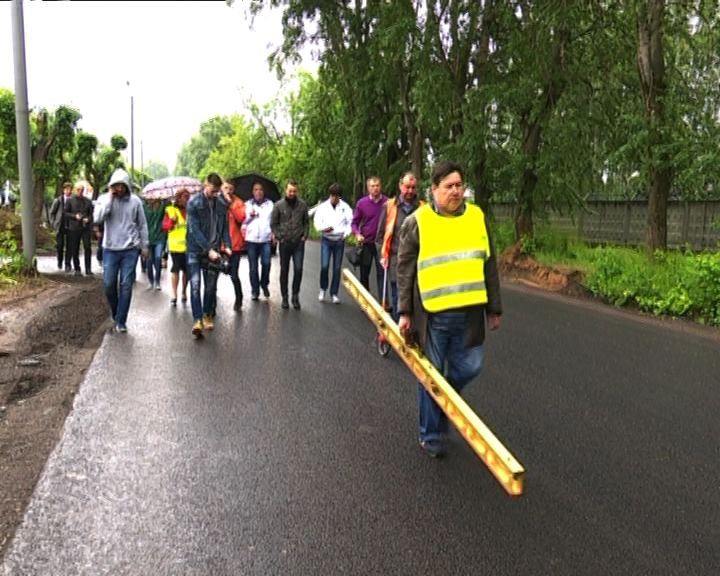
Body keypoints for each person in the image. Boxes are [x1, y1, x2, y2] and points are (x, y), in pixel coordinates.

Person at [396, 161, 502, 458]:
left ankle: (444, 402)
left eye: (459, 185)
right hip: (433, 317)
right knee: (431, 377)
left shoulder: (477, 217)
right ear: (434, 190)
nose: (456, 191)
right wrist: (404, 312)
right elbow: (404, 269)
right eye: (449, 186)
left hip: (470, 315)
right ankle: (430, 435)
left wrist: (495, 308)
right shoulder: (418, 221)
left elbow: (488, 263)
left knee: (471, 366)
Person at [93, 168, 149, 333]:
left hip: (130, 249)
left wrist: (144, 245)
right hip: (110, 248)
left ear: (126, 186)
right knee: (109, 284)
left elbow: (142, 224)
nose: (118, 189)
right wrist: (110, 200)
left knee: (126, 284)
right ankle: (116, 312)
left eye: (121, 186)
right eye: (115, 186)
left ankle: (121, 320)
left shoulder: (136, 202)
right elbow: (97, 219)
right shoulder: (104, 199)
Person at [186, 173, 231, 337]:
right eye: (213, 191)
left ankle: (207, 314)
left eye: (217, 191)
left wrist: (228, 245)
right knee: (196, 285)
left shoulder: (220, 203)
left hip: (214, 250)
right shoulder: (194, 203)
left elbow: (224, 227)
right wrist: (208, 250)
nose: (215, 194)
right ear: (206, 185)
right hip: (195, 250)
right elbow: (194, 230)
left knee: (211, 287)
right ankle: (197, 320)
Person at [375, 171, 423, 321]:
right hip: (396, 260)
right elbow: (380, 236)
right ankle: (398, 333)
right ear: (400, 186)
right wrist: (383, 256)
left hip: (418, 262)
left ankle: (412, 334)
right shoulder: (389, 206)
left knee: (415, 300)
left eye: (413, 187)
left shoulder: (423, 208)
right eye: (407, 187)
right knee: (398, 299)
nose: (410, 191)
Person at [270, 180, 309, 310]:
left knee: (298, 269)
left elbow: (306, 222)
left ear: (297, 191)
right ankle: (285, 297)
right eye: (290, 190)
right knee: (284, 270)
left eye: (294, 191)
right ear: (285, 190)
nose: (292, 193)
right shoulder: (278, 205)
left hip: (298, 243)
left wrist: (305, 235)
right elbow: (273, 223)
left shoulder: (302, 205)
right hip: (285, 242)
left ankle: (295, 295)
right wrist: (279, 236)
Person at [313, 183, 353, 304]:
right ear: (330, 195)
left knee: (336, 268)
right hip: (326, 239)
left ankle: (334, 293)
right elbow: (316, 222)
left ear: (340, 196)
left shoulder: (346, 208)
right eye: (332, 195)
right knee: (324, 266)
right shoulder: (323, 207)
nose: (334, 198)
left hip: (339, 240)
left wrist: (345, 234)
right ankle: (322, 289)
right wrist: (323, 228)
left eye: (337, 196)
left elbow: (350, 222)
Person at [352, 175, 387, 299]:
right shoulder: (362, 203)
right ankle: (365, 299)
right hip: (366, 242)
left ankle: (384, 302)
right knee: (364, 273)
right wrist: (357, 234)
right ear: (368, 188)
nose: (375, 188)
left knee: (382, 273)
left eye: (377, 186)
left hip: (381, 244)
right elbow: (354, 223)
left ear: (380, 187)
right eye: (373, 186)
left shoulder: (387, 203)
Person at [243, 180, 274, 301]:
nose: (258, 192)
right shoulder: (247, 204)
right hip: (251, 240)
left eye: (260, 189)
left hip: (265, 239)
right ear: (252, 192)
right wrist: (249, 216)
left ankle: (264, 284)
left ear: (263, 191)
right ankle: (255, 291)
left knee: (266, 264)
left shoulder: (270, 204)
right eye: (256, 189)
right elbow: (242, 222)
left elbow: (274, 221)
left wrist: (274, 233)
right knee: (253, 267)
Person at [162, 188, 190, 306]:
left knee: (187, 271)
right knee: (176, 268)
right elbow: (164, 226)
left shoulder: (190, 210)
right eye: (185, 197)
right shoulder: (170, 210)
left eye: (188, 197)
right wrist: (172, 222)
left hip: (188, 246)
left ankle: (183, 291)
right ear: (178, 198)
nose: (187, 199)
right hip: (175, 246)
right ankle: (174, 293)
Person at [221, 179, 246, 311]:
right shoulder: (216, 201)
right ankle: (211, 302)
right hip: (219, 245)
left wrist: (230, 205)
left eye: (230, 188)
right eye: (225, 188)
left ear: (233, 189)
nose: (228, 191)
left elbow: (242, 218)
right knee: (213, 275)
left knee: (234, 274)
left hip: (235, 244)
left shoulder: (238, 202)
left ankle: (239, 298)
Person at [66, 181, 94, 276]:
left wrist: (88, 219)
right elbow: (65, 213)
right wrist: (75, 216)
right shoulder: (70, 200)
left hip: (85, 228)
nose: (80, 191)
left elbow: (92, 214)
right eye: (78, 190)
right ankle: (77, 268)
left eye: (82, 190)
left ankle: (88, 269)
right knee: (75, 248)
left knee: (87, 247)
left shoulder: (88, 201)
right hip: (74, 227)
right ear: (75, 190)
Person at [143, 197, 167, 290]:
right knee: (149, 261)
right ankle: (151, 281)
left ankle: (157, 281)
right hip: (148, 239)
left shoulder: (162, 207)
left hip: (159, 238)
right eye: (150, 197)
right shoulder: (144, 208)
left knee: (157, 259)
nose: (151, 199)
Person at [49, 182, 72, 271]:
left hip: (70, 225)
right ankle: (59, 261)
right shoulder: (58, 200)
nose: (68, 191)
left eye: (69, 189)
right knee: (60, 245)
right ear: (64, 190)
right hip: (60, 225)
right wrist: (54, 223)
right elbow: (52, 213)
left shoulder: (72, 200)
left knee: (69, 246)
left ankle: (67, 264)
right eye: (66, 189)